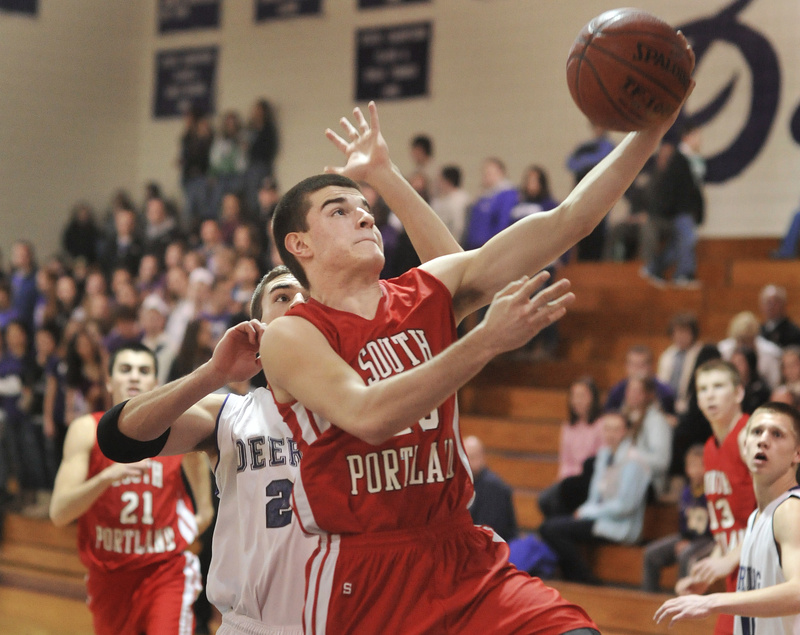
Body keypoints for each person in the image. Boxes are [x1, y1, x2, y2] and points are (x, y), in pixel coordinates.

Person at [263, 75, 692, 633]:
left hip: (460, 551)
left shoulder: (422, 290)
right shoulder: (293, 334)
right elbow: (370, 416)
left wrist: (650, 130)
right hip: (367, 572)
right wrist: (484, 341)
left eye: (364, 206)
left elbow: (569, 220)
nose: (366, 216)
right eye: (339, 211)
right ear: (299, 244)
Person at [96, 101, 465, 634]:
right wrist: (211, 375)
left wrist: (387, 177)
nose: (297, 305)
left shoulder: (375, 392)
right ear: (258, 325)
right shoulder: (233, 414)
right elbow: (120, 437)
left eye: (303, 295)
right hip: (256, 623)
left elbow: (449, 282)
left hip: (360, 613)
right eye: (281, 297)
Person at [49, 343, 213, 635]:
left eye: (144, 371)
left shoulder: (177, 428)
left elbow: (202, 483)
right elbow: (60, 512)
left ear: (155, 382)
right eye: (125, 370)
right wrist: (106, 477)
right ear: (109, 380)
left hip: (164, 570)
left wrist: (193, 522)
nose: (135, 377)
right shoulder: (86, 429)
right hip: (108, 574)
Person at [654, 402, 800, 634]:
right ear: (745, 444)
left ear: (797, 453)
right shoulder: (757, 517)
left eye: (777, 434)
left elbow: (798, 592)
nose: (763, 440)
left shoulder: (791, 510)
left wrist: (712, 602)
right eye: (756, 432)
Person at [673, 359, 756, 635]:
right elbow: (727, 524)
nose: (709, 394)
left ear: (739, 393)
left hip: (767, 571)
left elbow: (777, 513)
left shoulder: (749, 438)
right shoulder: (709, 449)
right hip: (737, 573)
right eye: (703, 388)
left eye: (718, 386)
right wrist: (711, 570)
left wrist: (729, 559)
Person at [539, 412, 652, 584]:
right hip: (599, 517)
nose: (610, 434)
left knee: (552, 529)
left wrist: (587, 512)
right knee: (552, 522)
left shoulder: (634, 461)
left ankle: (586, 579)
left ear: (625, 431)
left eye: (616, 429)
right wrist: (586, 510)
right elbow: (594, 495)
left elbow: (624, 506)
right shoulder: (604, 455)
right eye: (607, 429)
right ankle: (575, 577)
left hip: (618, 524)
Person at [641, 444, 714, 593]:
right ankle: (648, 598)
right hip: (688, 536)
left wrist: (690, 541)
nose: (695, 470)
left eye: (700, 465)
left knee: (687, 555)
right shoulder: (687, 491)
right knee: (651, 553)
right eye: (691, 465)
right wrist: (685, 538)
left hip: (708, 539)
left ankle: (685, 600)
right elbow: (683, 520)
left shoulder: (712, 491)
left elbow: (713, 524)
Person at [640, 120, 705, 286]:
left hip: (685, 211)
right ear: (688, 136)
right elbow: (677, 190)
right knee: (687, 240)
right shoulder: (680, 159)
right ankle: (683, 274)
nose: (700, 140)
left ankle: (654, 268)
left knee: (678, 245)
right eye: (697, 136)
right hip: (680, 211)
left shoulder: (692, 160)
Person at [537, 376, 603, 518]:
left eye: (581, 396)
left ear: (593, 398)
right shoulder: (568, 427)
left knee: (555, 500)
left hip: (587, 479)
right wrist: (562, 478)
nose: (577, 400)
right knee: (545, 500)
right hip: (569, 478)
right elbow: (565, 459)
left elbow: (597, 460)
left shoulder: (600, 426)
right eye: (574, 396)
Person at [565, 123, 615, 261]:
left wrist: (585, 161)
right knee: (580, 231)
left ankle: (596, 265)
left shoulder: (608, 145)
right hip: (581, 194)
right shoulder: (584, 146)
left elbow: (603, 159)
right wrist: (588, 162)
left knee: (597, 230)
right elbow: (570, 163)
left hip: (600, 194)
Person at [463, 434, 518, 542]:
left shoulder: (493, 488)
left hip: (495, 549)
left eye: (472, 457)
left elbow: (488, 530)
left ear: (482, 457)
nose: (467, 463)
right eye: (464, 458)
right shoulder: (465, 483)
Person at [462, 156, 519, 250]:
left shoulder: (507, 195)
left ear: (500, 173)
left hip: (490, 248)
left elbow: (502, 223)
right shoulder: (482, 196)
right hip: (474, 247)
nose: (485, 176)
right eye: (484, 173)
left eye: (489, 173)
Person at [718, 310, 783, 391]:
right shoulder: (723, 350)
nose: (743, 345)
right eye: (740, 340)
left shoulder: (770, 353)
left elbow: (775, 384)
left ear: (754, 337)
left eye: (747, 340)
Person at [604, 344, 676, 416]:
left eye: (642, 365)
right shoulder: (617, 391)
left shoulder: (665, 392)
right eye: (633, 365)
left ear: (651, 366)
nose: (637, 369)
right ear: (627, 366)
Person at [657, 312, 704, 417]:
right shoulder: (667, 355)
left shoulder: (700, 353)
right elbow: (662, 383)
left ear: (693, 333)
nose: (680, 336)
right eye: (676, 332)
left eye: (684, 332)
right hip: (668, 406)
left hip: (692, 407)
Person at [430, 165, 470, 244]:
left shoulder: (460, 199)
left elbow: (458, 226)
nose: (437, 183)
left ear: (448, 181)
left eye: (440, 180)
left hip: (452, 243)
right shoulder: (439, 200)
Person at [759, 284, 800, 348]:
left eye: (775, 302)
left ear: (783, 304)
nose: (771, 306)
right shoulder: (759, 330)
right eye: (768, 302)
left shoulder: (793, 332)